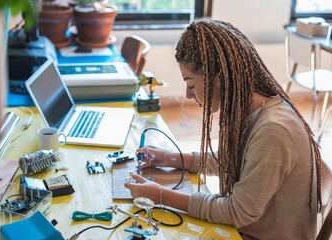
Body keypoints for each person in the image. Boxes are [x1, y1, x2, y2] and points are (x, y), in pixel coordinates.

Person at [124, 18, 321, 239]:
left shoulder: (274, 130)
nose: (188, 94)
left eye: (191, 84)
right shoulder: (252, 110)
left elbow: (238, 212)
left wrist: (161, 196)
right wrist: (174, 159)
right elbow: (236, 161)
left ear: (217, 77)